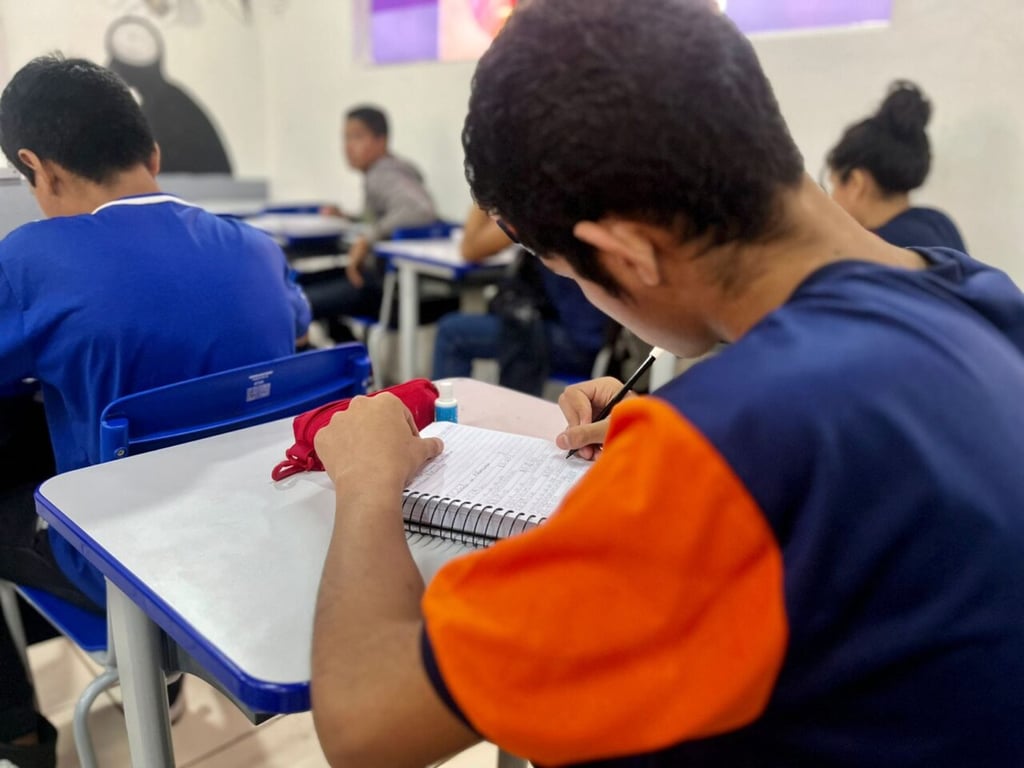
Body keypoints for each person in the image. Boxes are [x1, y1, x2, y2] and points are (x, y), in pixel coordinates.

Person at [308, 1, 1024, 766]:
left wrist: (370, 479)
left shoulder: (730, 451)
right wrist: (683, 430)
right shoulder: (981, 297)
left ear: (626, 252)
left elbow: (365, 723)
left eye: (571, 273)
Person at [0, 55, 310, 766]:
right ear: (154, 154)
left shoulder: (33, 258)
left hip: (129, 565)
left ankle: (18, 735)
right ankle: (154, 681)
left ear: (37, 168)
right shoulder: (258, 250)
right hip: (266, 537)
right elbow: (293, 326)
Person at [432, 205, 610, 395]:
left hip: (579, 340)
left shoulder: (540, 208)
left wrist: (481, 199)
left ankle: (445, 412)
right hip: (592, 331)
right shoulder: (570, 205)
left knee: (452, 334)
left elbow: (470, 249)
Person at [299, 105, 438, 331]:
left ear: (381, 141)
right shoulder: (385, 171)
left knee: (295, 300)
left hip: (387, 290)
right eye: (345, 138)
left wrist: (367, 240)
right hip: (384, 282)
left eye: (357, 137)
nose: (348, 147)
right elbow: (383, 219)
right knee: (299, 287)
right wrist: (349, 218)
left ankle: (345, 351)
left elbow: (419, 210)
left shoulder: (382, 173)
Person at [825, 80, 967, 250]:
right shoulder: (942, 226)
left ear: (856, 183)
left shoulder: (868, 249)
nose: (831, 199)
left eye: (833, 185)